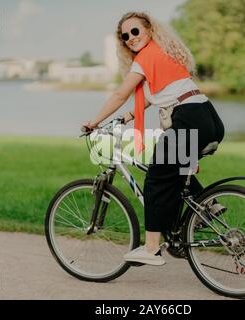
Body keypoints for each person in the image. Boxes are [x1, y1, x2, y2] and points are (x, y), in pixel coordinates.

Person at [84, 12, 225, 266]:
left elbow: (119, 94)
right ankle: (208, 206)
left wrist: (93, 123)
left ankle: (151, 249)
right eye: (124, 36)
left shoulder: (146, 57)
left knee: (156, 178)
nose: (130, 38)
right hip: (208, 118)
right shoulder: (164, 54)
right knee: (177, 170)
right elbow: (157, 94)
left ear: (149, 30)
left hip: (188, 118)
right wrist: (127, 117)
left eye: (135, 31)